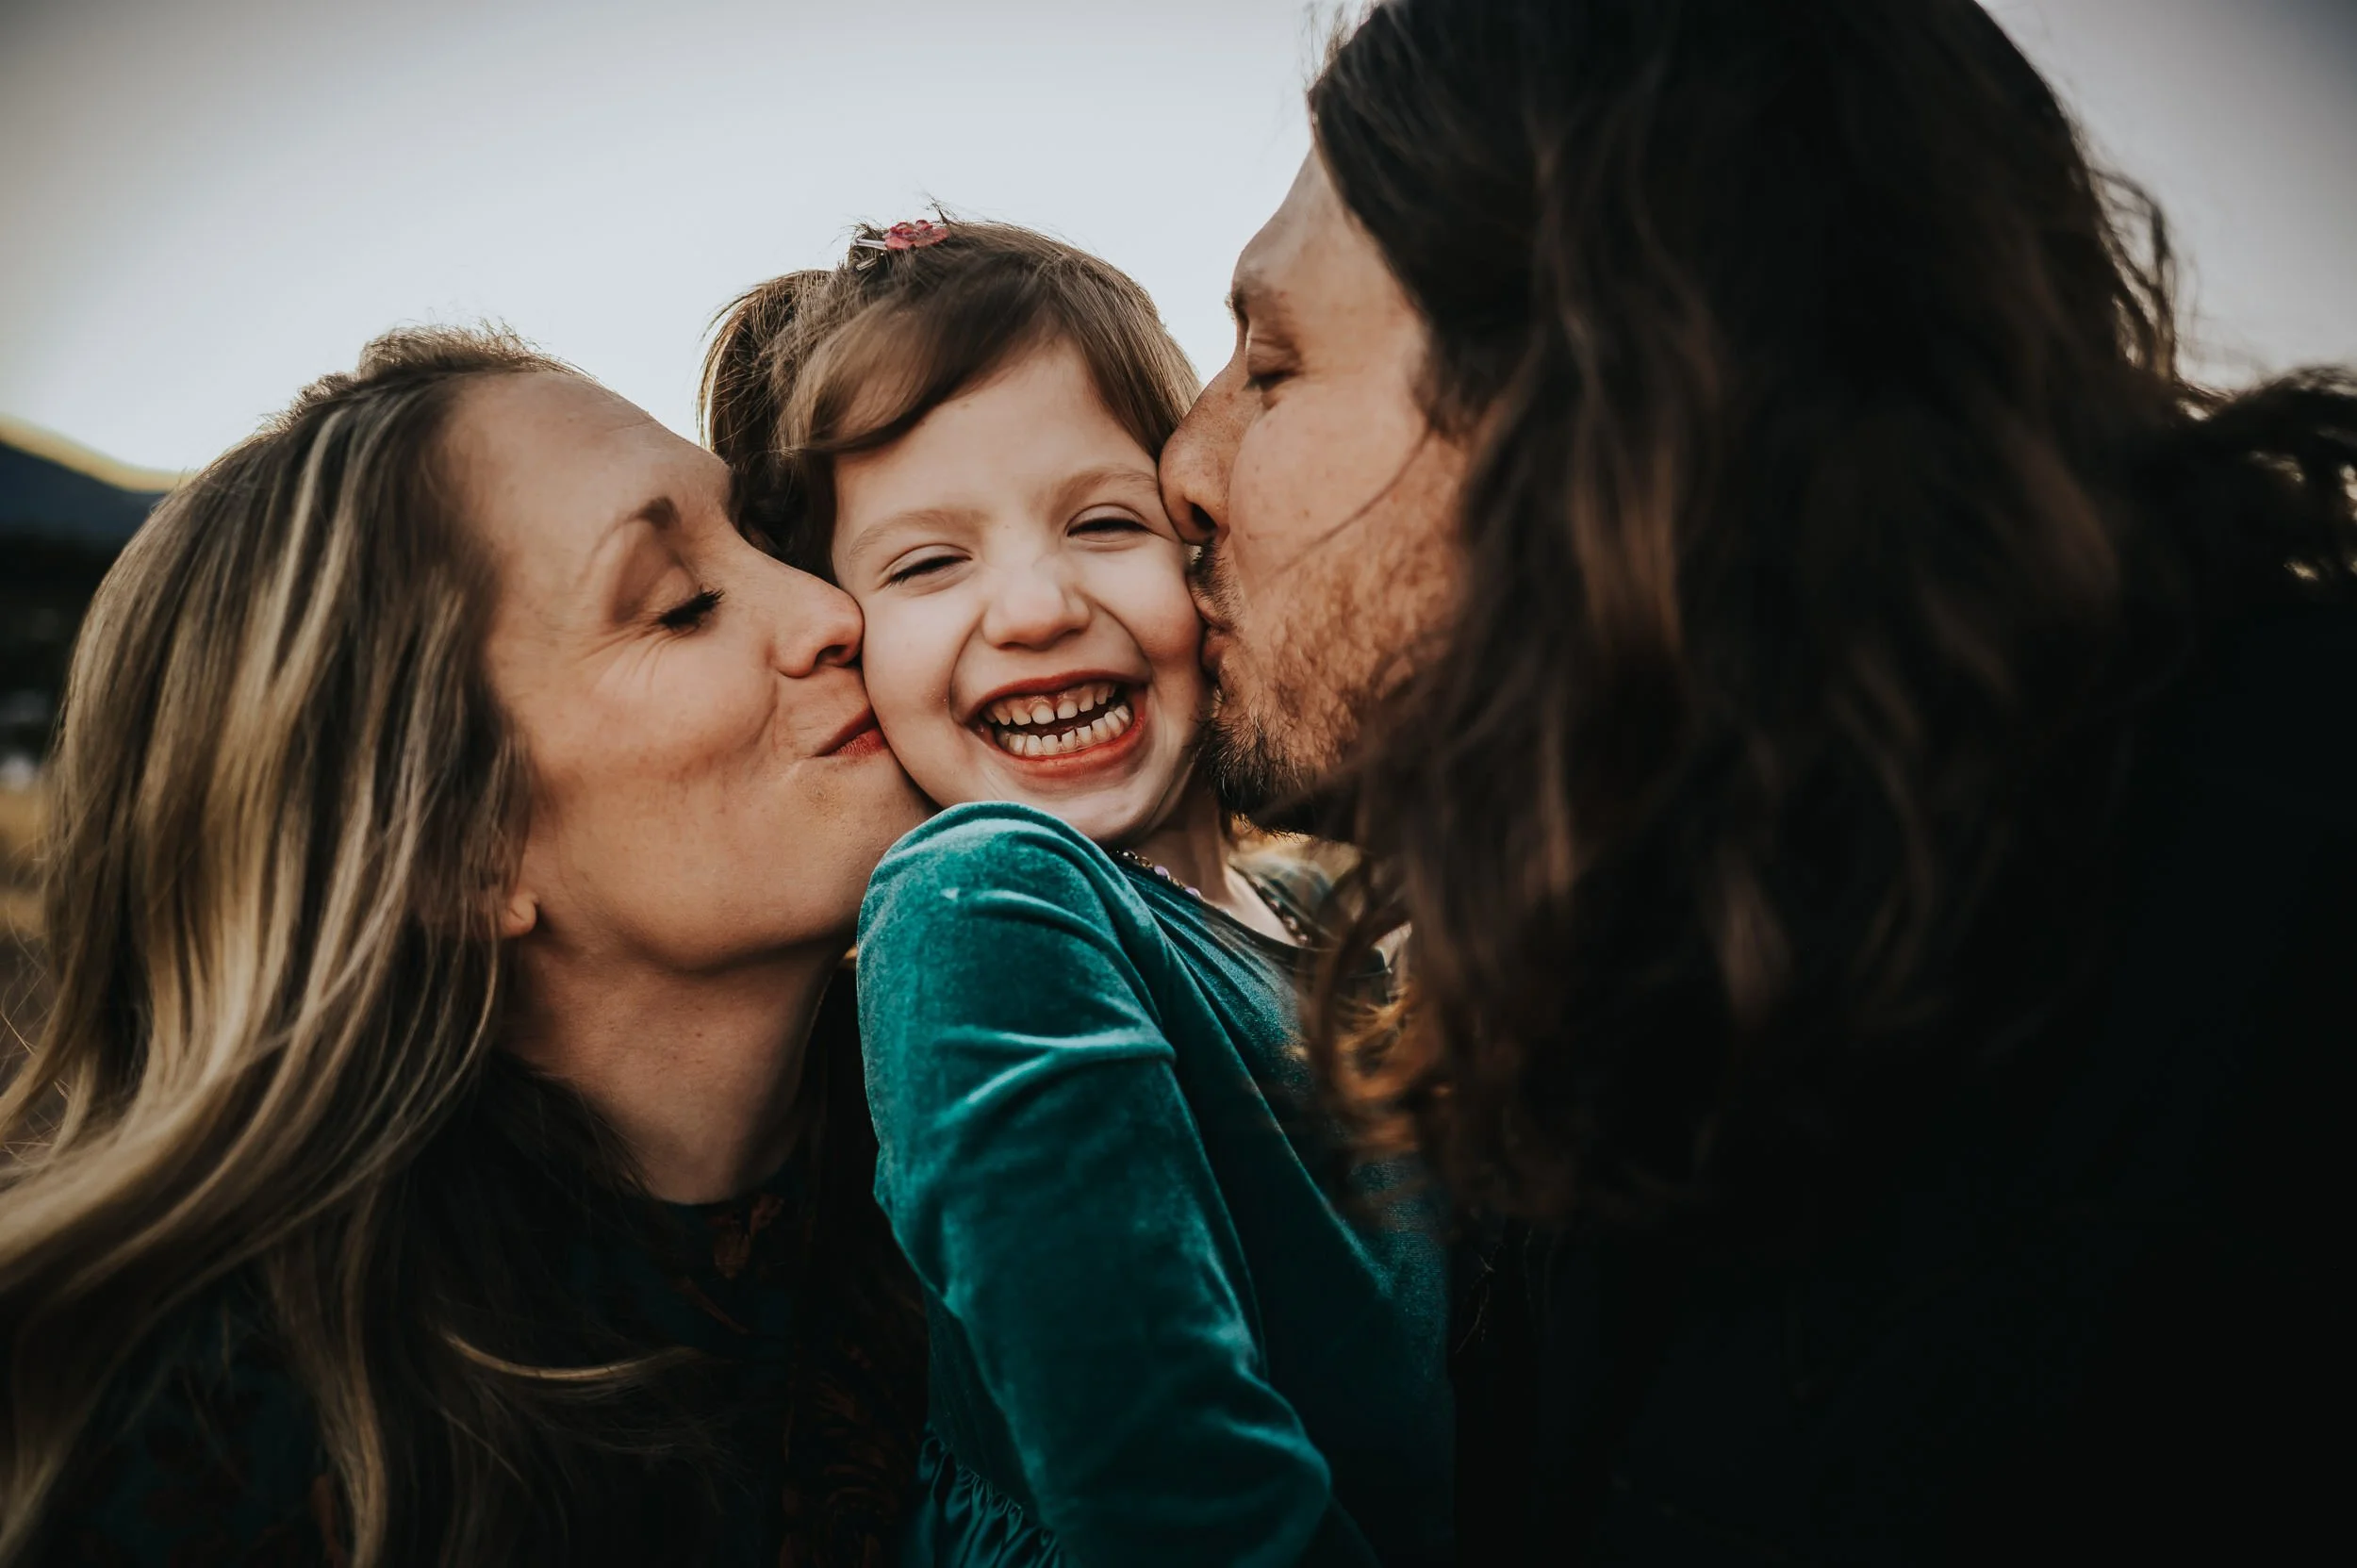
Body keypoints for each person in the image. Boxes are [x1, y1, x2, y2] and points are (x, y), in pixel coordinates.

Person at [1157, 0, 2357, 1560]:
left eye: (1270, 363)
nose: (1183, 466)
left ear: (1596, 384)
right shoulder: (1632, 1001)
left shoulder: (2279, 922)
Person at [0, 329, 929, 1567]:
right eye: (683, 604)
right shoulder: (230, 1450)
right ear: (454, 846)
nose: (832, 610)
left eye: (766, 538)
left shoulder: (1015, 1146)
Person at [702, 221, 1452, 1568]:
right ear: (843, 638)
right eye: (929, 564)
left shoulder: (1329, 931)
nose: (1039, 607)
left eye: (1105, 524)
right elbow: (1173, 1484)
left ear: (1199, 538)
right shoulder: (983, 900)